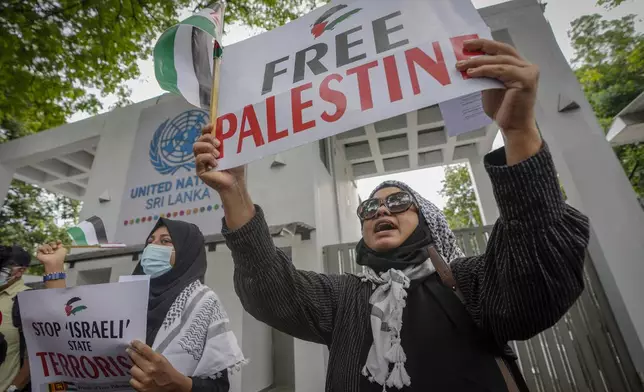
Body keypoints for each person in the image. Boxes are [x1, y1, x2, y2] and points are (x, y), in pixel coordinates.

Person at [193, 38, 591, 391]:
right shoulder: (345, 298)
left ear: (427, 221)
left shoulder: (469, 284)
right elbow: (270, 290)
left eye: (399, 202)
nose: (382, 209)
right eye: (370, 207)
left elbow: (538, 279)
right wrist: (236, 193)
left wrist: (519, 132)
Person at [36, 218, 245, 392]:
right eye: (150, 241)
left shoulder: (201, 303)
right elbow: (69, 332)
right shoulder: (122, 296)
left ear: (187, 253)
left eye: (165, 241)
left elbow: (218, 386)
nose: (153, 247)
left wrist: (177, 384)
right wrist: (53, 267)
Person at [0, 245, 31, 392]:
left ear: (21, 271)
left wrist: (14, 388)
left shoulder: (28, 299)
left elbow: (36, 354)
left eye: (2, 268)